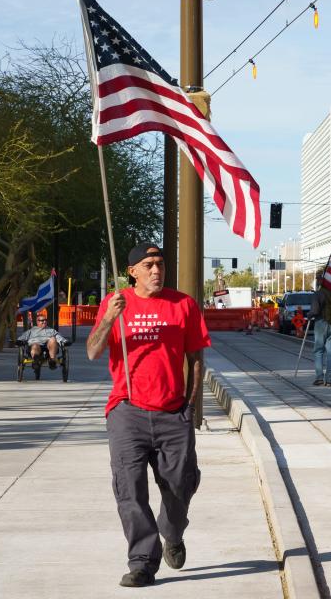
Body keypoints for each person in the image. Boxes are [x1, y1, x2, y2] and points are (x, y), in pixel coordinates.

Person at [86, 243, 211, 588]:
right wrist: (110, 317)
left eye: (160, 264)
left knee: (180, 485)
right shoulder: (115, 304)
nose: (157, 270)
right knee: (129, 488)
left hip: (173, 412)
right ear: (133, 271)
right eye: (149, 265)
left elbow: (196, 359)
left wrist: (190, 406)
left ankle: (172, 532)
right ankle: (142, 561)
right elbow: (94, 351)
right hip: (127, 411)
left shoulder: (183, 305)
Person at [308, 271, 331, 387]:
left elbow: (315, 311)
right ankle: (329, 380)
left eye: (318, 279)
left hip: (321, 323)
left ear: (320, 281)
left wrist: (309, 315)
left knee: (318, 351)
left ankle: (319, 378)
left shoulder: (318, 294)